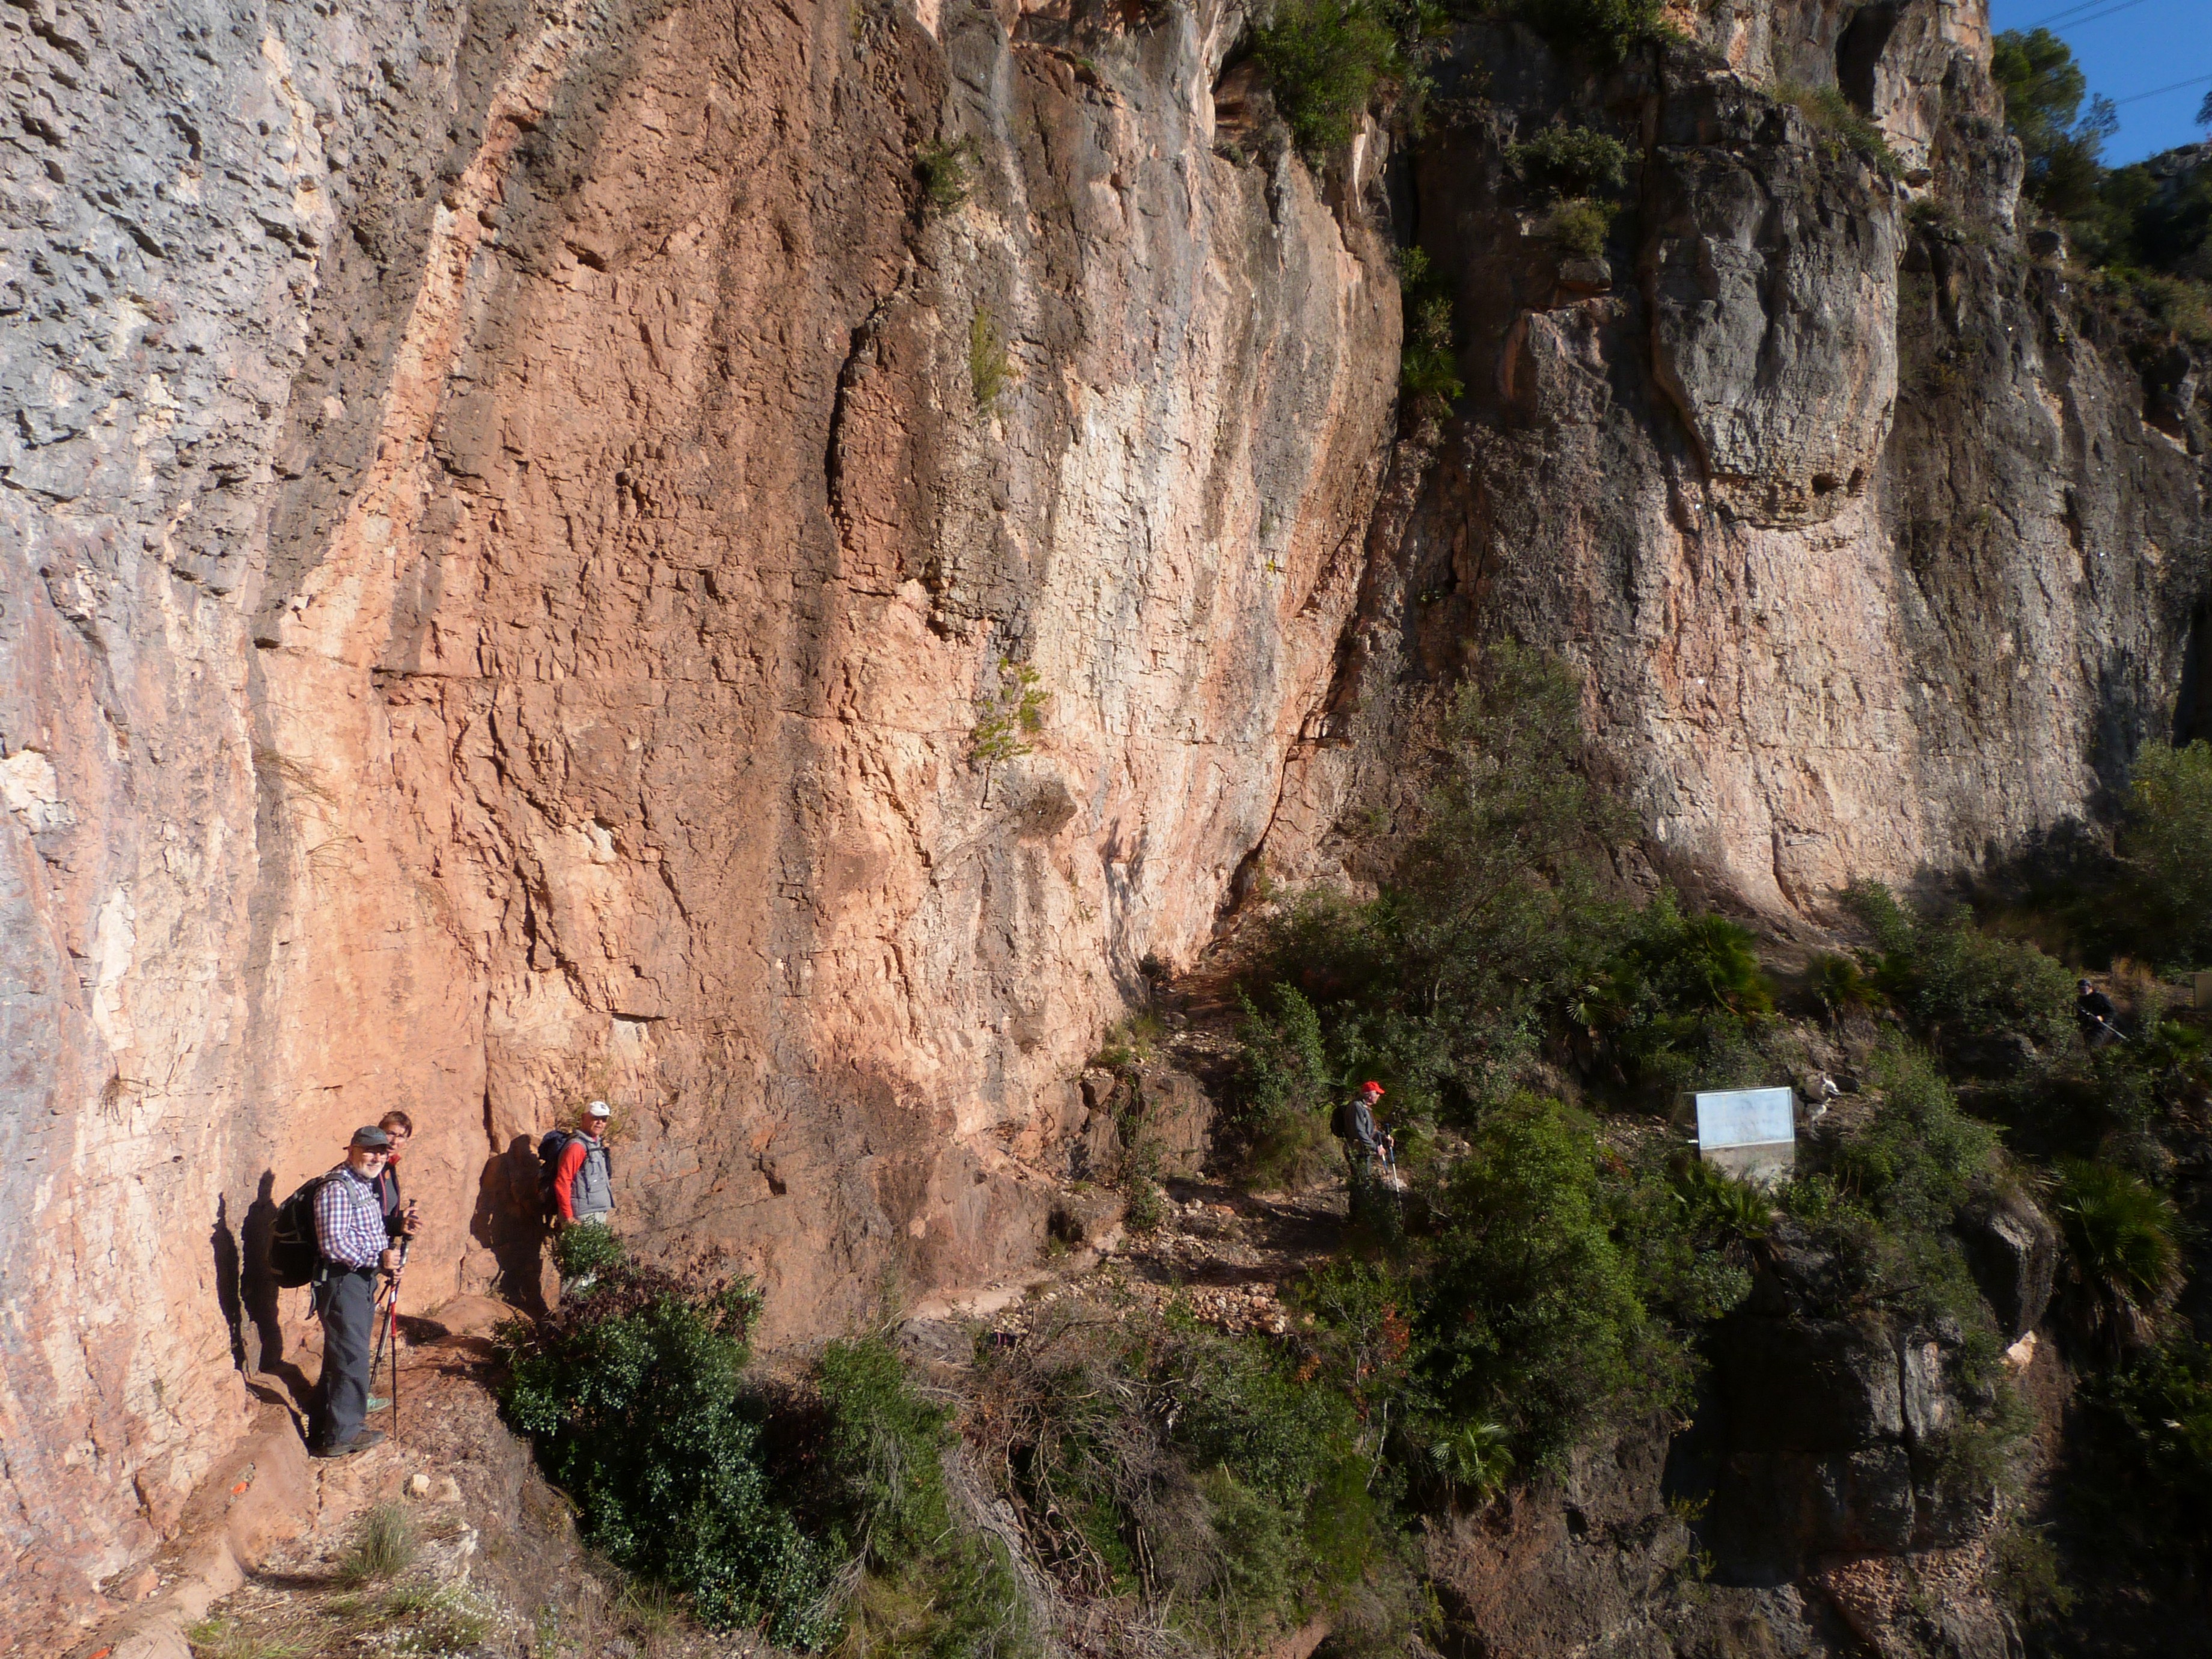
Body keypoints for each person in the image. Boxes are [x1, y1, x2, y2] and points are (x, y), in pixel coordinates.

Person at [311, 1126, 399, 1457]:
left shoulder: (362, 1183)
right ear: (351, 1150)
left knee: (342, 1355)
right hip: (342, 1281)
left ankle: (324, 1430)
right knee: (352, 1358)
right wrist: (378, 1259)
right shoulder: (337, 1187)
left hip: (359, 1280)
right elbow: (333, 1245)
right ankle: (343, 1436)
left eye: (382, 1152)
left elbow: (367, 1233)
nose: (377, 1158)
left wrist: (385, 1260)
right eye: (369, 1151)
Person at [550, 1100, 616, 1229]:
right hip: (582, 1216)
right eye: (596, 1118)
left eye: (604, 1119)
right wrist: (569, 1217)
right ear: (584, 1117)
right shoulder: (577, 1147)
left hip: (598, 1211)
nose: (600, 1123)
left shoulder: (596, 1144)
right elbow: (563, 1181)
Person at [2076, 979, 2121, 1048]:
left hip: (2101, 1026)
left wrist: (2101, 1017)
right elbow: (2080, 1014)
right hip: (2087, 1026)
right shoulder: (2081, 999)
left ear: (2090, 987)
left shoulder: (2101, 997)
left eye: (2083, 988)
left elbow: (2112, 1012)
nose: (2081, 991)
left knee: (2094, 1045)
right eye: (2079, 989)